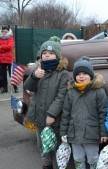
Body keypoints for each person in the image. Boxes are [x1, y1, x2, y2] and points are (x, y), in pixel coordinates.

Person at [24, 37, 69, 169]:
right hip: (39, 116)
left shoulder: (63, 74)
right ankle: (46, 165)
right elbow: (29, 87)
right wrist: (34, 77)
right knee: (43, 145)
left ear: (58, 56)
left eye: (51, 53)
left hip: (55, 118)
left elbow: (62, 96)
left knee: (57, 145)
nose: (47, 55)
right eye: (44, 53)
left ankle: (61, 165)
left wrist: (52, 114)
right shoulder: (37, 70)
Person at [60, 56, 108, 169]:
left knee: (93, 159)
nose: (81, 76)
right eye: (78, 74)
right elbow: (66, 114)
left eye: (84, 73)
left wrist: (104, 132)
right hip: (74, 134)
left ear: (91, 75)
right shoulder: (71, 92)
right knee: (77, 159)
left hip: (91, 134)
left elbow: (103, 114)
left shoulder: (98, 92)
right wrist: (63, 132)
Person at [0, 25, 18, 93]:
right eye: (3, 31)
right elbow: (7, 47)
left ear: (8, 31)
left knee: (12, 75)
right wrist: (5, 48)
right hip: (1, 60)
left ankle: (15, 87)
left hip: (9, 60)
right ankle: (5, 88)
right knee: (3, 75)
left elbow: (10, 47)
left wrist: (1, 47)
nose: (4, 32)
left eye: (6, 31)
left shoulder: (10, 38)